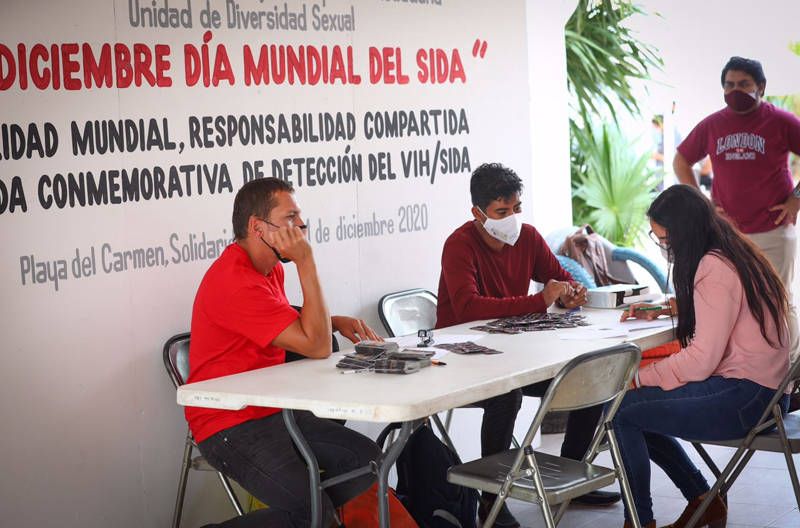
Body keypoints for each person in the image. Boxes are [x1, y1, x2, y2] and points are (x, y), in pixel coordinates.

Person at [185, 177, 382, 528]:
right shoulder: (235, 281)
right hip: (229, 424)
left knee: (366, 461)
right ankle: (315, 516)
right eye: (290, 218)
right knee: (312, 513)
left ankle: (315, 516)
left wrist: (332, 321)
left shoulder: (269, 268)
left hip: (274, 411)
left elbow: (288, 323)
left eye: (299, 217)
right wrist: (306, 261)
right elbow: (317, 346)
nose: (301, 226)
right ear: (257, 227)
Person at [436, 163, 619, 528]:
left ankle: (570, 477)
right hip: (463, 357)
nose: (512, 219)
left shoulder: (529, 238)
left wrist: (569, 294)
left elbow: (561, 279)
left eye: (516, 208)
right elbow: (467, 308)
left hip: (514, 352)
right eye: (501, 211)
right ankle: (491, 500)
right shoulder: (459, 245)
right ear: (477, 213)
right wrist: (539, 300)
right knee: (507, 395)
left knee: (588, 376)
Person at [615, 185, 790, 528]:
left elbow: (700, 361)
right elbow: (727, 309)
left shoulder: (713, 266)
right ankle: (702, 501)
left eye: (666, 240)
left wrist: (637, 378)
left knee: (622, 412)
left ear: (685, 232)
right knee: (635, 409)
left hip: (747, 398)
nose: (665, 248)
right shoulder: (732, 250)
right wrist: (673, 307)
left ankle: (639, 521)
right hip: (766, 395)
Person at [673, 56, 800, 361]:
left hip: (772, 230)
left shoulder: (781, 121)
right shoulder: (713, 124)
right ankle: (744, 365)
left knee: (778, 300)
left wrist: (796, 198)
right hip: (727, 234)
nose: (735, 91)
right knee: (731, 302)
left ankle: (790, 368)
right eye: (729, 85)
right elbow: (681, 161)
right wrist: (704, 204)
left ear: (761, 87)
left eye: (743, 84)